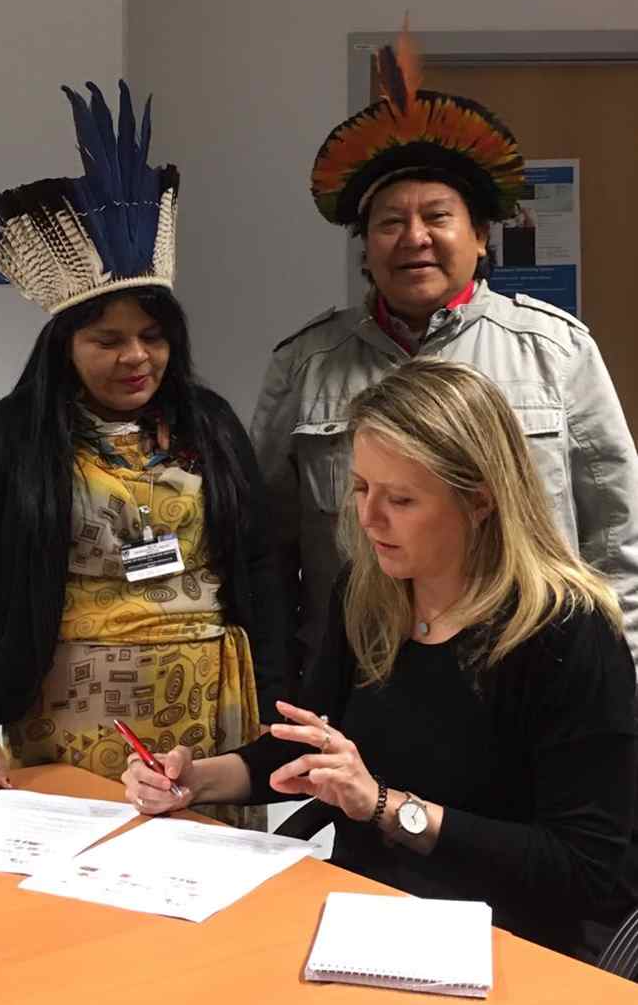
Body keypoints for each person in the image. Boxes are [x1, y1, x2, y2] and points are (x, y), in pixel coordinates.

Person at [127, 359, 636, 959]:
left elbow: (585, 871)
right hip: (360, 916)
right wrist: (194, 781)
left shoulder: (567, 631)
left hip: (503, 943)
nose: (369, 519)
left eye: (401, 499)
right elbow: (309, 750)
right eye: (361, 488)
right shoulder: (367, 593)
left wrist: (385, 807)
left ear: (480, 500)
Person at [0, 81, 289, 828]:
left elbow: (262, 565)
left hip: (210, 713)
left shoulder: (211, 425)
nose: (135, 357)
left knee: (205, 878)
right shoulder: (8, 440)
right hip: (62, 714)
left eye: (152, 337)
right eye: (107, 340)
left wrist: (281, 703)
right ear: (65, 345)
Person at [250, 33, 638, 679]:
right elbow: (266, 544)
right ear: (366, 248)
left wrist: (621, 676)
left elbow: (617, 537)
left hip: (531, 672)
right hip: (363, 676)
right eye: (389, 223)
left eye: (437, 216)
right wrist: (286, 680)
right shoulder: (306, 364)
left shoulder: (557, 351)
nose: (415, 238)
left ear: (481, 236)